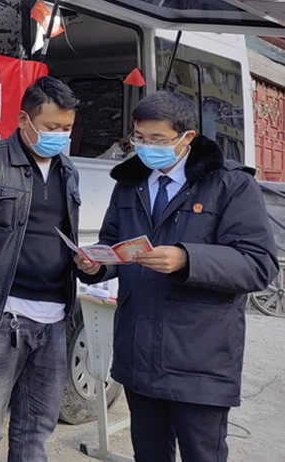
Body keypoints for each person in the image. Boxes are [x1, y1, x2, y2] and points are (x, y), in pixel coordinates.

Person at [75, 90, 277, 462]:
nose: (147, 148)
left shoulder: (229, 184)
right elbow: (114, 244)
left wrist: (187, 259)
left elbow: (258, 263)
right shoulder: (131, 183)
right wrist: (97, 264)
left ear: (187, 138)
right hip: (139, 354)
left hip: (199, 360)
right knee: (149, 454)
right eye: (140, 138)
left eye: (158, 140)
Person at [0, 75, 82, 462]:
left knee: (36, 430)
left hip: (54, 319)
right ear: (23, 120)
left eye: (67, 128)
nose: (60, 136)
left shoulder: (68, 170)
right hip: (0, 316)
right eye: (51, 127)